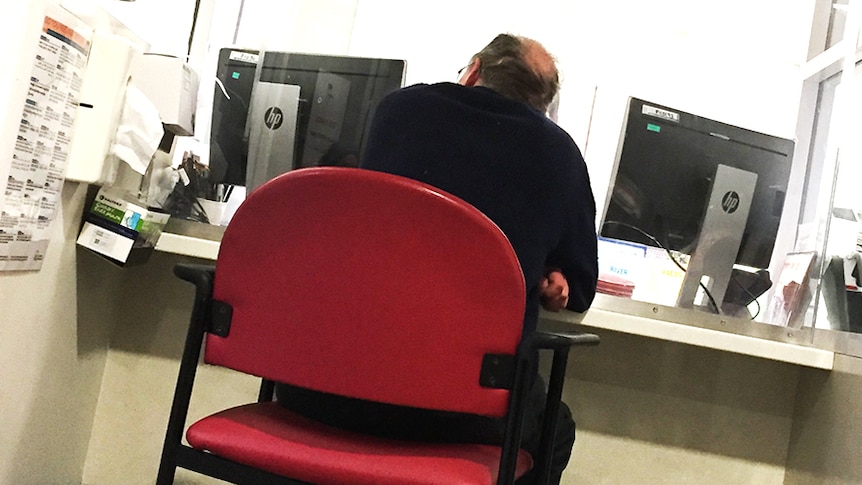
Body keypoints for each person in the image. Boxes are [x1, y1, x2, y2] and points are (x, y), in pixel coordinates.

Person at [277, 33, 598, 484]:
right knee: (554, 429)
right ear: (542, 107)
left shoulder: (398, 110)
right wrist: (551, 272)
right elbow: (580, 289)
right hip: (463, 415)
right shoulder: (559, 154)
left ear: (471, 71)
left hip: (325, 384)